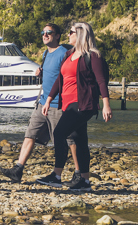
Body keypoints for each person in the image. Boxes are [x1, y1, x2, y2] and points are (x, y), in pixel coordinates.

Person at [0, 23, 79, 186]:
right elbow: (50, 73)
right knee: (30, 134)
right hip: (42, 102)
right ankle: (18, 169)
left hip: (58, 104)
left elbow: (67, 74)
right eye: (43, 32)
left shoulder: (64, 53)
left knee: (68, 140)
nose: (45, 34)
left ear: (57, 36)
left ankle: (78, 173)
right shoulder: (45, 53)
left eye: (49, 32)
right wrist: (41, 71)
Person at [40, 21, 112, 192]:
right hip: (67, 102)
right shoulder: (69, 54)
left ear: (80, 34)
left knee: (59, 132)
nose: (68, 35)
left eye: (71, 32)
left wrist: (106, 104)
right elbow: (60, 79)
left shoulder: (92, 56)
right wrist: (49, 99)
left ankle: (57, 176)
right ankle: (84, 181)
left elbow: (101, 81)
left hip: (83, 103)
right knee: (80, 140)